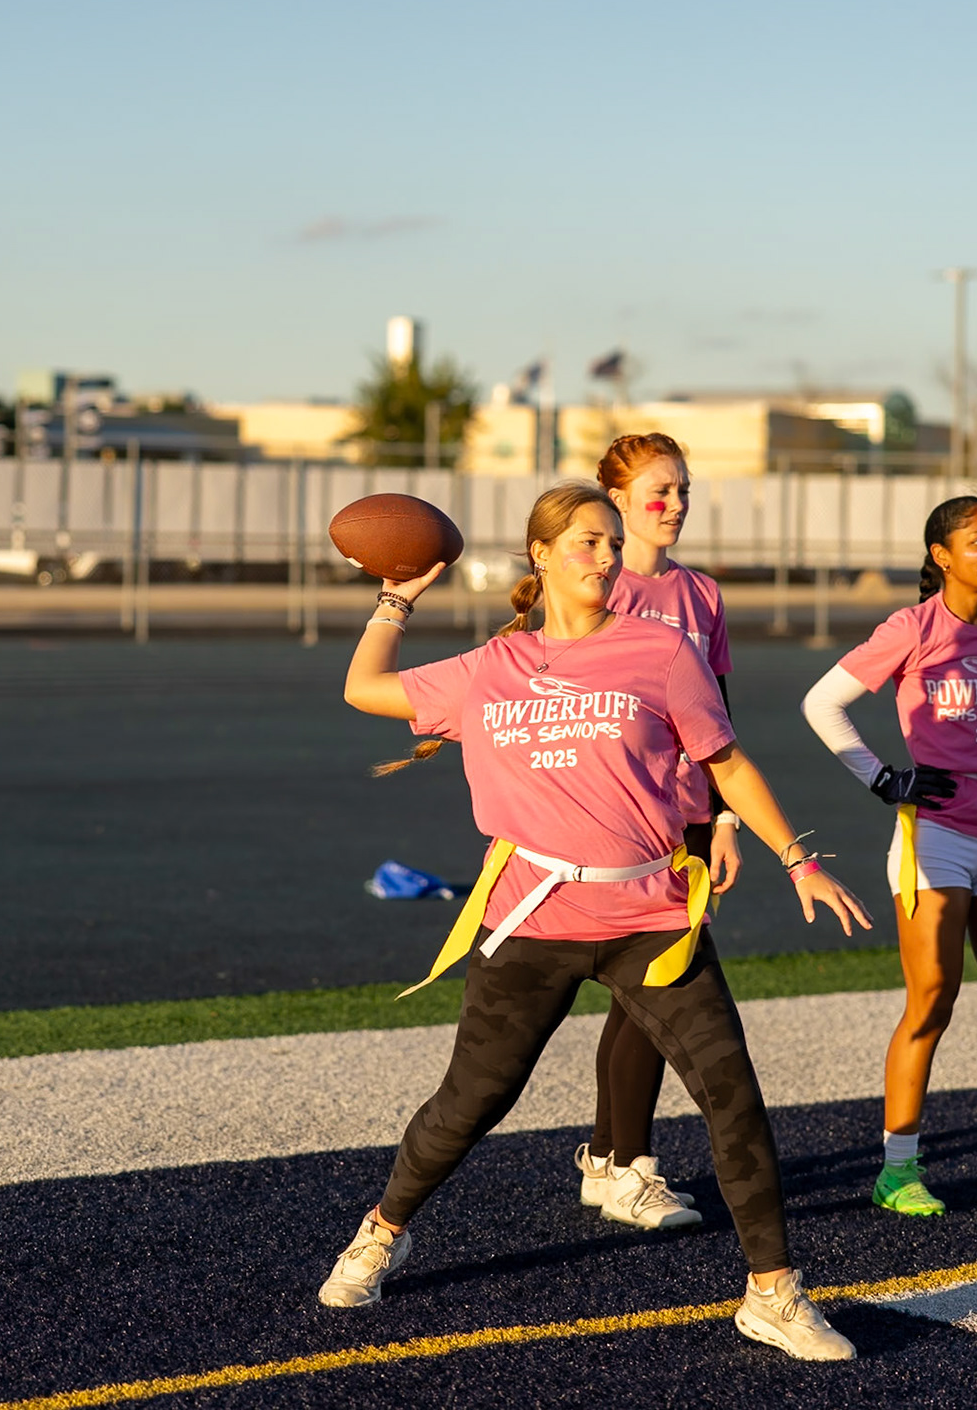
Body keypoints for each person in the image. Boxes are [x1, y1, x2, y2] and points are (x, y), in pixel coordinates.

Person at [319, 481, 870, 1362]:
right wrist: (397, 597)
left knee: (732, 1097)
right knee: (469, 1103)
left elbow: (726, 765)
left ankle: (773, 1292)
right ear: (539, 554)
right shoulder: (491, 667)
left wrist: (797, 858)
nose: (607, 557)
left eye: (613, 542)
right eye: (586, 541)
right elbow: (361, 689)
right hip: (532, 918)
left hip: (651, 918)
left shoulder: (661, 651)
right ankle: (382, 1232)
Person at [800, 495, 977, 1217]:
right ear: (942, 555)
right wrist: (882, 779)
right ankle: (898, 1169)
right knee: (932, 1000)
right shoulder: (912, 627)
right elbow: (822, 703)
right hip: (935, 838)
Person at [575, 432, 739, 1229]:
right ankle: (628, 1168)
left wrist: (726, 818)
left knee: (645, 997)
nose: (675, 505)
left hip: (692, 821)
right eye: (659, 491)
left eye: (683, 490)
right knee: (654, 989)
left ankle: (610, 1163)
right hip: (626, 822)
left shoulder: (702, 594)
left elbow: (720, 717)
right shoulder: (598, 592)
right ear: (616, 500)